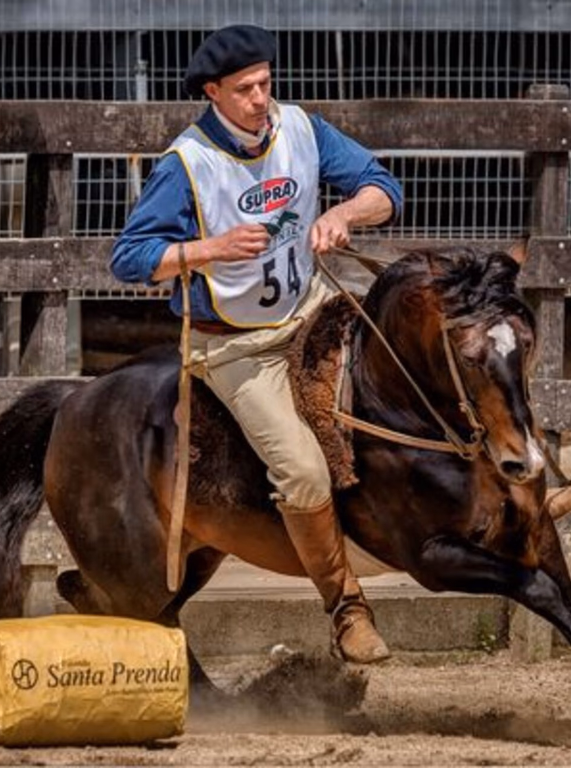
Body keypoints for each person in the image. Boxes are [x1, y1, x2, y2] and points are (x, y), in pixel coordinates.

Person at [111, 24, 402, 664]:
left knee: (412, 359)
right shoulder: (185, 164)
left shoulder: (302, 128)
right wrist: (206, 249)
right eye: (245, 89)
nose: (261, 99)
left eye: (266, 83)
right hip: (235, 345)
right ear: (213, 92)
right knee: (300, 471)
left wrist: (343, 214)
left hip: (312, 309)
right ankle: (346, 609)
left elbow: (385, 188)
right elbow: (128, 258)